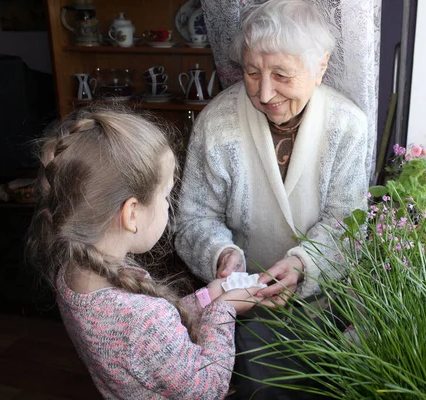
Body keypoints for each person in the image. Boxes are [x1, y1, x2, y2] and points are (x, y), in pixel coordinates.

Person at [26, 106, 262, 399]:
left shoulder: (73, 273)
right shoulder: (144, 318)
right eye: (165, 195)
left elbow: (154, 340)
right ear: (132, 213)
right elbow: (208, 389)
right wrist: (224, 310)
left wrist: (209, 297)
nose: (168, 206)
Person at [175, 0, 369, 306]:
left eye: (282, 75)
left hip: (320, 309)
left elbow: (346, 222)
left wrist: (303, 265)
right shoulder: (217, 123)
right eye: (252, 73)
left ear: (320, 67)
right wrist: (221, 254)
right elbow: (195, 218)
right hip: (237, 303)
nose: (264, 94)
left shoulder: (347, 126)